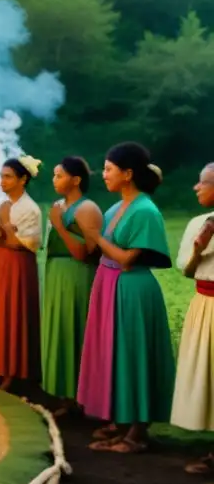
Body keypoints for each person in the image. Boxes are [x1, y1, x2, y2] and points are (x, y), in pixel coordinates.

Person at [77, 142, 175, 454]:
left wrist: (93, 235)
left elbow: (126, 259)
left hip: (131, 287)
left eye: (108, 169)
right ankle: (122, 423)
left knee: (133, 353)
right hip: (108, 284)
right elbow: (101, 251)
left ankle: (138, 432)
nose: (103, 174)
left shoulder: (145, 210)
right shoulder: (114, 209)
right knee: (113, 353)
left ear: (128, 173)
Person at [41, 157, 102, 414]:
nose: (54, 180)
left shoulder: (87, 209)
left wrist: (59, 225)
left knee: (76, 328)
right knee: (60, 328)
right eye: (54, 175)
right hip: (56, 273)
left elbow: (86, 252)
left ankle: (85, 395)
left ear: (76, 180)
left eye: (60, 175)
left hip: (77, 274)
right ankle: (64, 393)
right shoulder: (58, 205)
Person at [0, 156, 44, 392]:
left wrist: (6, 223)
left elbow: (23, 243)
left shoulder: (30, 209)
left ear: (23, 179)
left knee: (15, 311)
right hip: (0, 260)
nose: (2, 181)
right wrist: (3, 230)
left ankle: (16, 370)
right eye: (1, 176)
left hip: (18, 264)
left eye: (8, 176)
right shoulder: (3, 204)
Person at [171, 163, 214, 476]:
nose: (195, 188)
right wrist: (199, 250)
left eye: (202, 183)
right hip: (204, 303)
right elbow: (186, 270)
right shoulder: (198, 223)